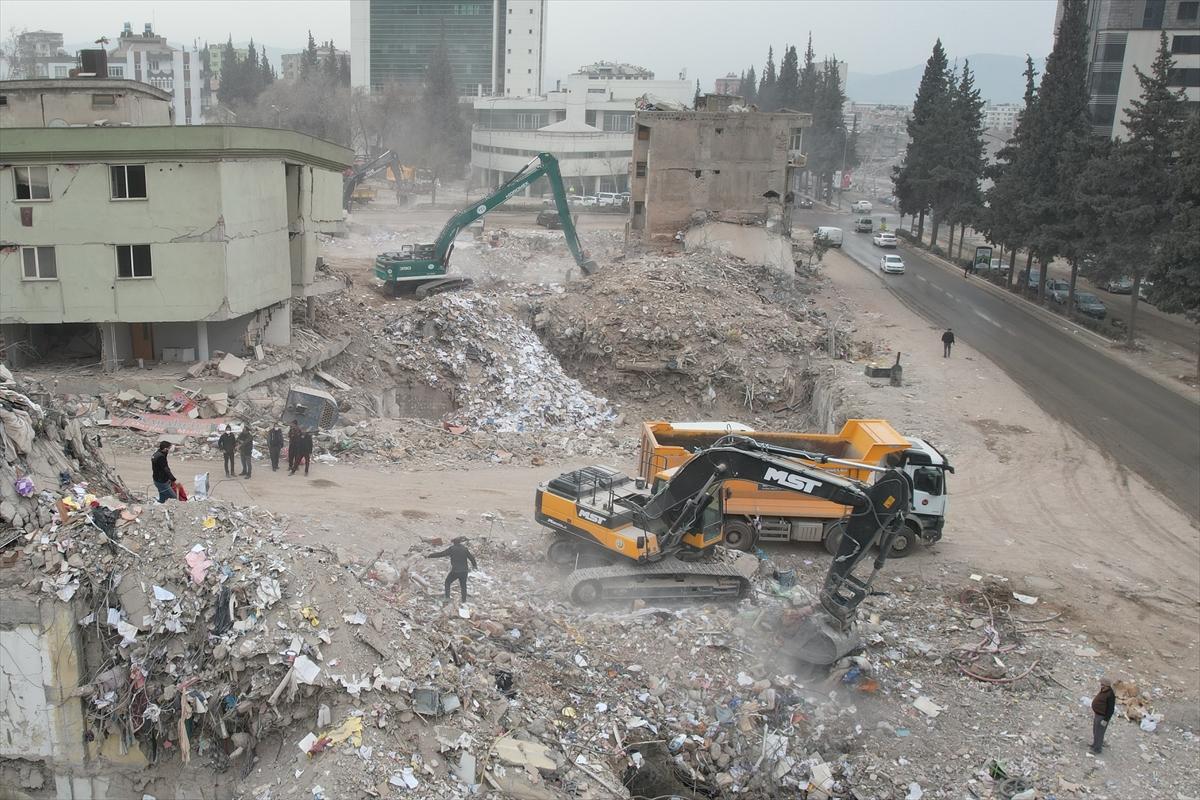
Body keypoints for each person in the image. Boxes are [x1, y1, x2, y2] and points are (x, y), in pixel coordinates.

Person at [427, 537, 478, 603]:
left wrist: (430, 555)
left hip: (455, 571)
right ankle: (464, 601)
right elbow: (471, 558)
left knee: (447, 582)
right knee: (463, 586)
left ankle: (447, 597)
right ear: (460, 542)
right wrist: (474, 565)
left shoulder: (452, 549)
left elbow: (441, 554)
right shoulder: (464, 549)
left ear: (454, 542)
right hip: (464, 571)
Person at [1091, 677, 1116, 754]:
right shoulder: (1104, 690)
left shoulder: (1110, 695)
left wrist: (1106, 720)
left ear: (1106, 686)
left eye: (1102, 684)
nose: (1101, 685)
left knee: (1100, 733)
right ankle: (1095, 745)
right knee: (1095, 731)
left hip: (1102, 716)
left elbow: (1111, 709)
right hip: (1098, 714)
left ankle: (1097, 749)